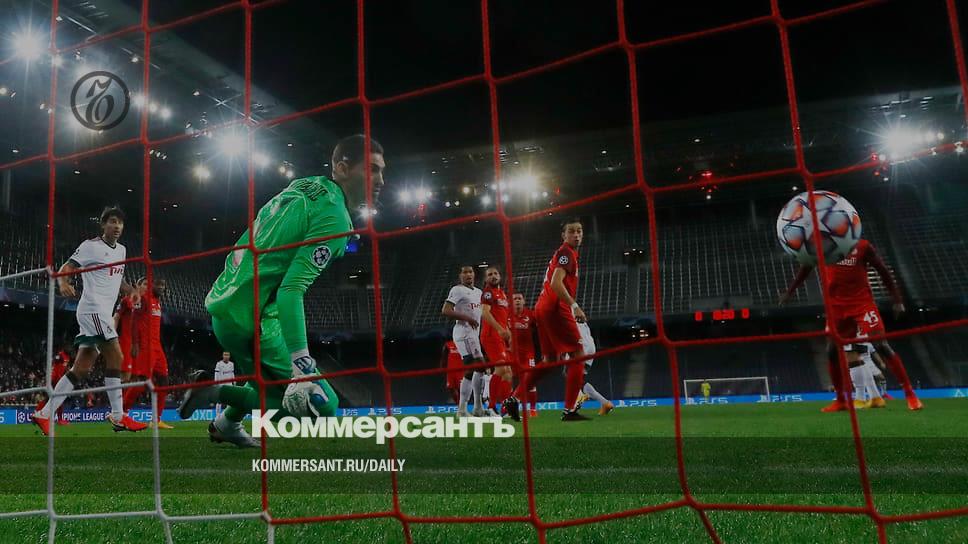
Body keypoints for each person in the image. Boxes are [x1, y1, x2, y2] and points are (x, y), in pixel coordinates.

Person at [178, 135, 385, 447]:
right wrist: (302, 364)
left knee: (268, 386)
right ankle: (214, 392)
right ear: (342, 169)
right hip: (253, 321)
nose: (381, 180)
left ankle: (226, 423)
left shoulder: (305, 184)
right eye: (372, 169)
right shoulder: (335, 218)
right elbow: (291, 289)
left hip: (230, 303)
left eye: (382, 171)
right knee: (322, 406)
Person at [33, 206, 147, 435]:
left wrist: (131, 291)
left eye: (120, 223)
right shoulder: (90, 246)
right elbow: (67, 267)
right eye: (112, 221)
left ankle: (44, 413)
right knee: (116, 356)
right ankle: (118, 416)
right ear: (103, 224)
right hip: (93, 309)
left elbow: (117, 278)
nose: (117, 226)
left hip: (101, 313)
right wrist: (63, 283)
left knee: (81, 368)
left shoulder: (122, 250)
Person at [781, 238, 922, 411]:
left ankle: (910, 394)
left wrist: (897, 299)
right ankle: (841, 400)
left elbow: (882, 270)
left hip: (862, 304)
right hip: (836, 307)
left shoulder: (862, 245)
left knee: (881, 345)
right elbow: (807, 267)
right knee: (832, 351)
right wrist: (790, 291)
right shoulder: (821, 246)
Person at [506, 218, 588, 421]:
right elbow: (556, 283)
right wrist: (574, 306)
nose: (576, 235)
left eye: (579, 231)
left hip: (542, 308)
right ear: (563, 235)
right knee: (578, 354)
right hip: (556, 308)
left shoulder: (564, 253)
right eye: (572, 231)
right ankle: (570, 410)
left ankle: (514, 398)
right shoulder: (566, 253)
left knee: (550, 361)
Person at [122, 277, 173, 429]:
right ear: (152, 286)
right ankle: (121, 413)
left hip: (157, 347)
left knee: (164, 381)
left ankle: (156, 420)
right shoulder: (144, 299)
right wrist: (135, 343)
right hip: (145, 347)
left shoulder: (157, 301)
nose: (162, 287)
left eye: (163, 285)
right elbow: (133, 320)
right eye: (159, 285)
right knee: (142, 382)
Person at [441, 265, 485, 417]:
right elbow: (446, 310)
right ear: (460, 276)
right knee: (479, 365)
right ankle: (471, 408)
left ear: (474, 274)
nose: (468, 274)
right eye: (465, 272)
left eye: (470, 272)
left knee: (474, 369)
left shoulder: (479, 292)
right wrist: (467, 318)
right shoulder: (457, 290)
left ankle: (470, 408)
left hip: (474, 334)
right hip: (463, 332)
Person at [480, 266, 512, 417]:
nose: (493, 276)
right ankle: (491, 406)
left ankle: (506, 409)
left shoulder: (502, 294)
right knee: (501, 368)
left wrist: (507, 331)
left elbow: (503, 316)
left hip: (500, 336)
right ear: (486, 279)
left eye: (495, 273)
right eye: (490, 274)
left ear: (500, 276)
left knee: (508, 373)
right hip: (491, 335)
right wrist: (500, 329)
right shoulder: (488, 292)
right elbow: (485, 313)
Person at [573, 321, 614, 415]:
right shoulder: (579, 317)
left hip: (581, 345)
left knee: (570, 374)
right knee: (580, 378)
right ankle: (605, 403)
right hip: (590, 346)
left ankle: (579, 397)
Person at [510, 293, 538, 417]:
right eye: (515, 299)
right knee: (511, 381)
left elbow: (540, 329)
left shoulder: (530, 315)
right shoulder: (506, 315)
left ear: (524, 301)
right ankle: (512, 407)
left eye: (519, 298)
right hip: (512, 354)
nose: (517, 301)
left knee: (530, 380)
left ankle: (533, 409)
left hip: (528, 354)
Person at [213, 351, 236, 417]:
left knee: (229, 400)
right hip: (221, 384)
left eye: (227, 355)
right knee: (219, 400)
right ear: (223, 356)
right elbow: (216, 374)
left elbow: (232, 373)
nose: (226, 356)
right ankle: (217, 415)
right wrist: (216, 383)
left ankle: (227, 414)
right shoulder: (219, 364)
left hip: (229, 384)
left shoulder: (231, 364)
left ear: (229, 356)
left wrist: (234, 382)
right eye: (225, 355)